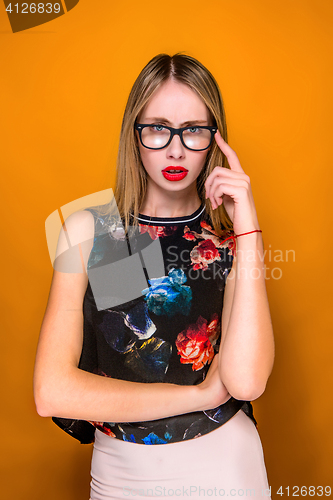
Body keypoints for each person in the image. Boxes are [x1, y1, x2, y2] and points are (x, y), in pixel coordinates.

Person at [34, 53, 275, 500]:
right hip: (119, 475)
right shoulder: (87, 233)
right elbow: (52, 392)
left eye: (195, 130)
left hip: (226, 470)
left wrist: (248, 228)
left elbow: (246, 382)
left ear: (216, 138)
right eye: (159, 128)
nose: (177, 148)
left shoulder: (229, 240)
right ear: (135, 133)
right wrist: (199, 395)